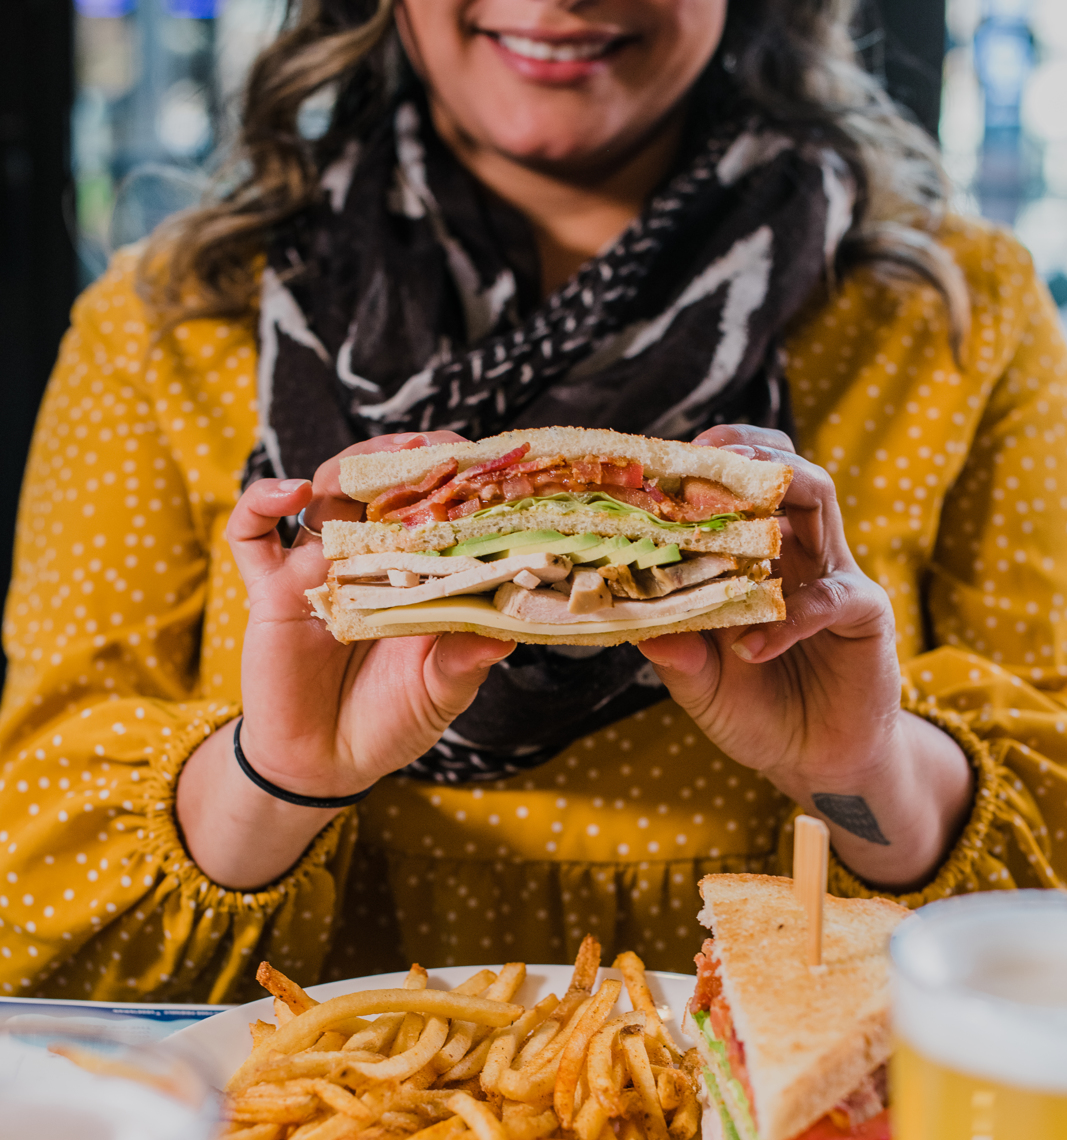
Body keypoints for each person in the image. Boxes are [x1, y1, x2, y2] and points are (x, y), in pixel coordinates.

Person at [1, 0, 1065, 1003]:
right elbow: (29, 886)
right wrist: (271, 773)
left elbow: (1040, 910)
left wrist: (865, 771)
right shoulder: (164, 323)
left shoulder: (956, 317)